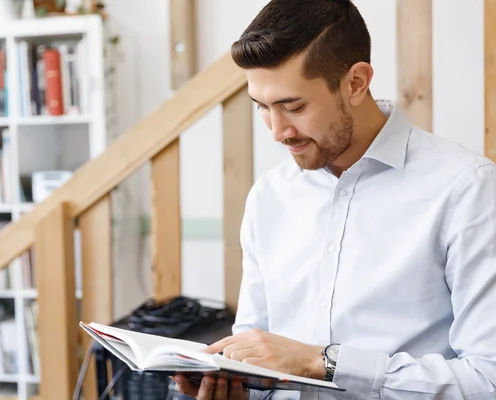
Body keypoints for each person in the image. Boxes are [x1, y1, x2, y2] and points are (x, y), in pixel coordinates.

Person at [173, 0, 496, 399]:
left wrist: (322, 362)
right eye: (262, 108)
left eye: (293, 106)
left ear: (357, 83)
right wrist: (234, 387)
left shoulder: (466, 189)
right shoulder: (269, 197)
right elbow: (257, 361)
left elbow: (487, 379)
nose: (277, 131)